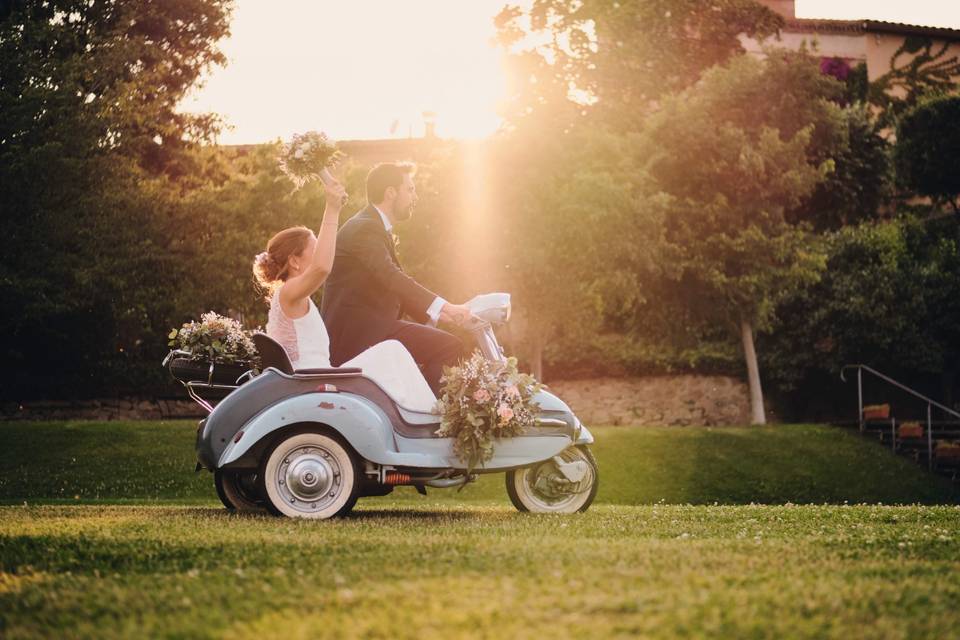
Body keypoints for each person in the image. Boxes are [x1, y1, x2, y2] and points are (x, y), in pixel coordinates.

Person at [252, 176, 436, 412]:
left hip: (319, 378)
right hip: (312, 384)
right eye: (315, 249)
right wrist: (332, 207)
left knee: (392, 351)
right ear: (294, 261)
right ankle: (427, 415)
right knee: (392, 351)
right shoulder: (288, 293)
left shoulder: (295, 296)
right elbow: (322, 268)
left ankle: (421, 414)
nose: (322, 254)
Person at [320, 162, 471, 396]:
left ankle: (420, 406)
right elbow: (390, 276)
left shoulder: (371, 225)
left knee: (444, 344)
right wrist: (444, 305)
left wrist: (442, 315)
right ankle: (433, 416)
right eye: (410, 189)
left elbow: (389, 286)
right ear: (390, 192)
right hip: (359, 335)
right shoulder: (365, 228)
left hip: (372, 327)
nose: (415, 197)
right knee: (449, 347)